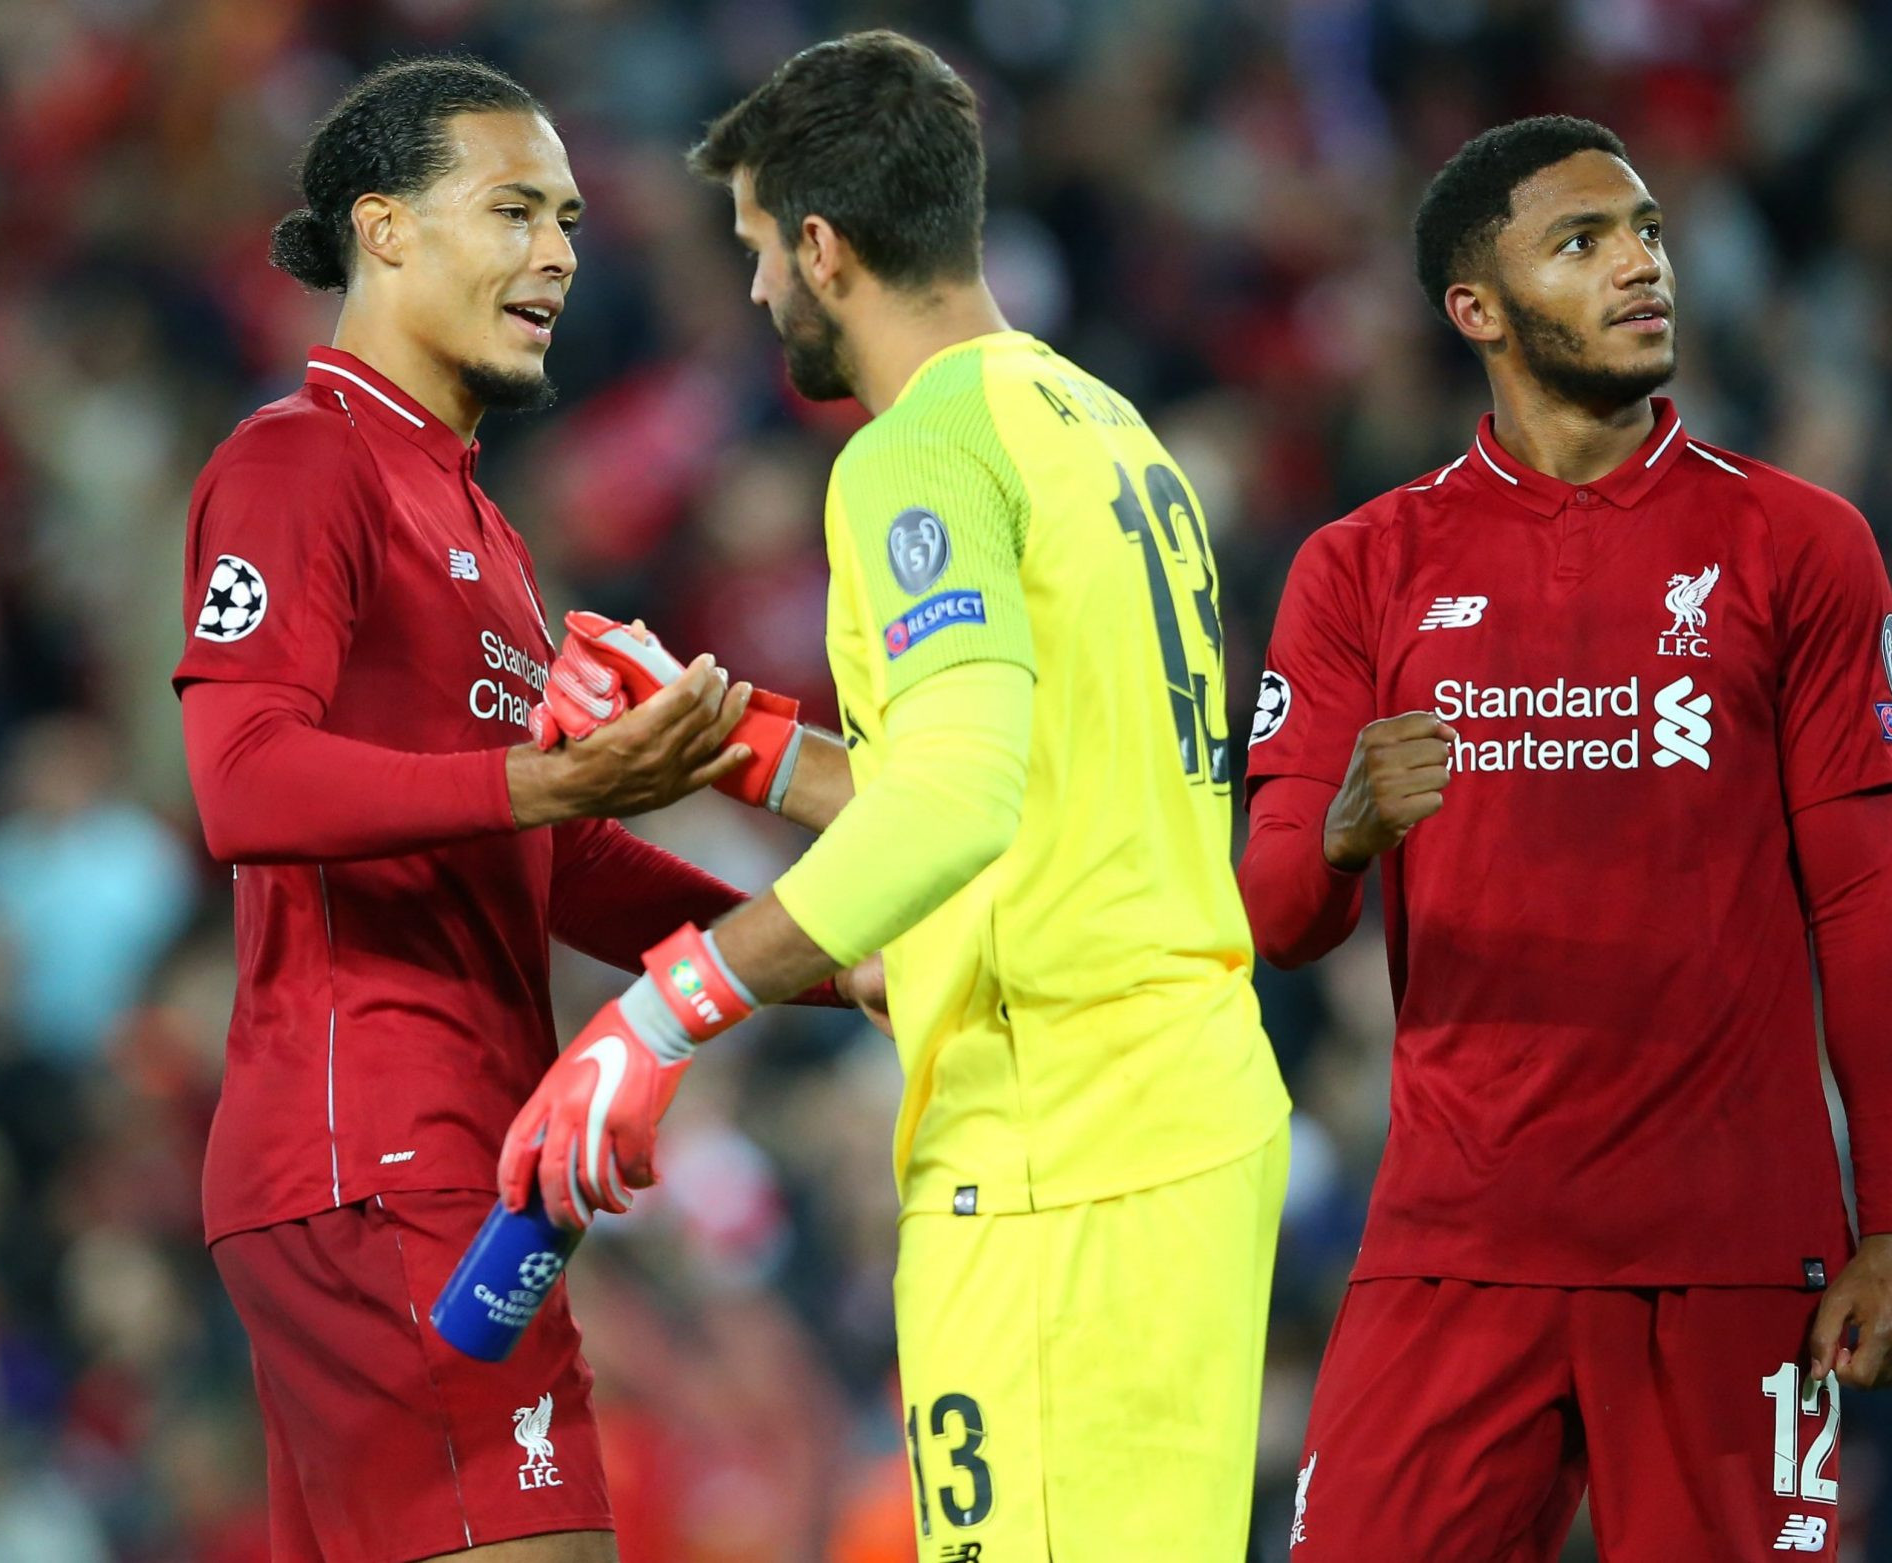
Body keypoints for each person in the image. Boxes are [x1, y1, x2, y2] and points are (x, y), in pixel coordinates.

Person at [496, 32, 1290, 1561]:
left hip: (1051, 1137)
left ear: (822, 247)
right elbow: (1018, 784)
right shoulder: (1101, 428)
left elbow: (957, 804)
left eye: (755, 248)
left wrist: (656, 1015)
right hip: (1187, 1111)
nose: (752, 293)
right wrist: (730, 743)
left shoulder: (910, 456)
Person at [171, 57, 854, 1563]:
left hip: (461, 1157)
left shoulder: (479, 521)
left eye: (569, 221)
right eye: (513, 211)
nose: (557, 253)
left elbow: (549, 859)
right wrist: (558, 777)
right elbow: (241, 777)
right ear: (385, 229)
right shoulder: (296, 462)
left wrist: (830, 952)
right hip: (370, 1145)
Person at [1239, 116, 1892, 1562]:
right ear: (1476, 309)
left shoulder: (1799, 544)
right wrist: (1348, 833)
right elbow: (1275, 918)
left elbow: (1865, 903)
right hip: (1455, 1244)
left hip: (1735, 1254)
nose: (1640, 266)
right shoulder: (1361, 567)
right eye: (1582, 241)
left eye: (1647, 233)